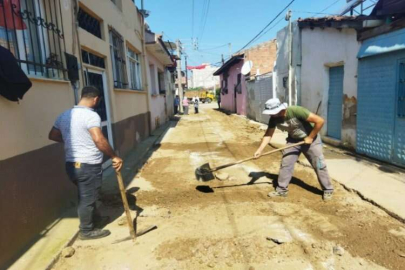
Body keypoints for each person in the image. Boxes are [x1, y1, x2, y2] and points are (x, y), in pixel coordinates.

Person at [49, 86, 123, 240]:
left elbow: (53, 135)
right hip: (88, 166)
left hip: (71, 165)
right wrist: (114, 156)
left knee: (87, 195)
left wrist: (72, 141)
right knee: (88, 198)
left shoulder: (64, 115)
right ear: (96, 99)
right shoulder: (91, 116)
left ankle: (95, 219)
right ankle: (86, 231)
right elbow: (98, 139)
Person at [254, 98, 334, 200]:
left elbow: (320, 121)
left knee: (319, 164)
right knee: (286, 164)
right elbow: (268, 134)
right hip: (293, 141)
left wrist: (310, 137)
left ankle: (328, 190)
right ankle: (281, 190)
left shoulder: (296, 111)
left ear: (281, 109)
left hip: (311, 140)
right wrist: (260, 150)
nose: (271, 115)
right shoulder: (274, 119)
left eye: (273, 113)